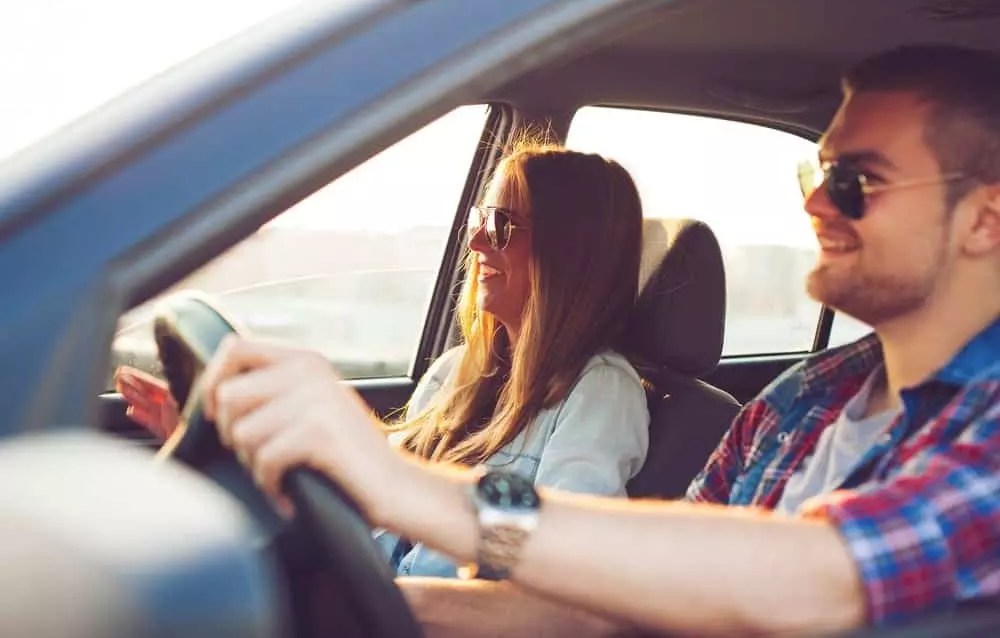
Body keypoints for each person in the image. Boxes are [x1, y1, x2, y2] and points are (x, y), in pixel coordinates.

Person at [199, 44, 1000, 636]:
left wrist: (400, 484)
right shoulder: (799, 402)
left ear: (984, 219)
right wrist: (369, 609)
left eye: (856, 182)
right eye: (816, 176)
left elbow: (824, 582)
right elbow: (609, 604)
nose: (817, 205)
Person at [120, 143, 652, 579]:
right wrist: (221, 443)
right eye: (480, 219)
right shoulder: (457, 373)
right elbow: (368, 496)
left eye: (502, 226)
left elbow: (562, 563)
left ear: (567, 252)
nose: (475, 241)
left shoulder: (601, 393)